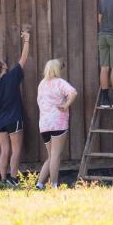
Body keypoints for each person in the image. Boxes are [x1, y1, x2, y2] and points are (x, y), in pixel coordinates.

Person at [0, 29, 31, 184]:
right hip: (14, 119)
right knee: (16, 149)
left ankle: (3, 179)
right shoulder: (12, 77)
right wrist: (27, 40)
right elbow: (23, 59)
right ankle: (13, 178)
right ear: (4, 66)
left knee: (4, 150)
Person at [36, 59, 77, 189]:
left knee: (50, 156)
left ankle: (39, 184)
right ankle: (54, 185)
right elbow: (73, 93)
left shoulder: (41, 84)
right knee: (55, 156)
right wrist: (66, 105)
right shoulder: (60, 82)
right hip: (58, 123)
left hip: (44, 124)